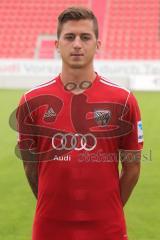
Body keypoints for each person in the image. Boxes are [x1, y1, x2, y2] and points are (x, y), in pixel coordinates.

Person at [16, 6, 144, 240]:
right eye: (69, 37)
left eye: (85, 37)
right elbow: (30, 167)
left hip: (107, 230)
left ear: (98, 44)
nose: (77, 44)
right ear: (57, 45)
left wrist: (109, 209)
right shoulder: (31, 102)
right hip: (49, 229)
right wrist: (53, 206)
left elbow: (133, 168)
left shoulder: (123, 100)